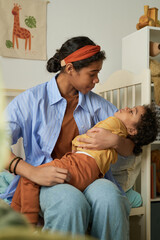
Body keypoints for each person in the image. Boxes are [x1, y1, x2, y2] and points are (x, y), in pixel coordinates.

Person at [1, 36, 136, 240]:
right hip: (49, 178)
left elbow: (131, 148)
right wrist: (32, 172)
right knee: (70, 203)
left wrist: (115, 141)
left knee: (111, 200)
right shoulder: (31, 100)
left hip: (92, 177)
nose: (97, 80)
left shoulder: (99, 106)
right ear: (70, 69)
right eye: (93, 73)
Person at [10, 104, 158, 225]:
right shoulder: (118, 130)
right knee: (29, 178)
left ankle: (27, 225)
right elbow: (130, 147)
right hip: (88, 172)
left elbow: (87, 137)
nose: (126, 108)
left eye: (132, 112)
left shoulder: (115, 122)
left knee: (29, 176)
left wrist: (76, 143)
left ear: (132, 130)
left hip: (80, 165)